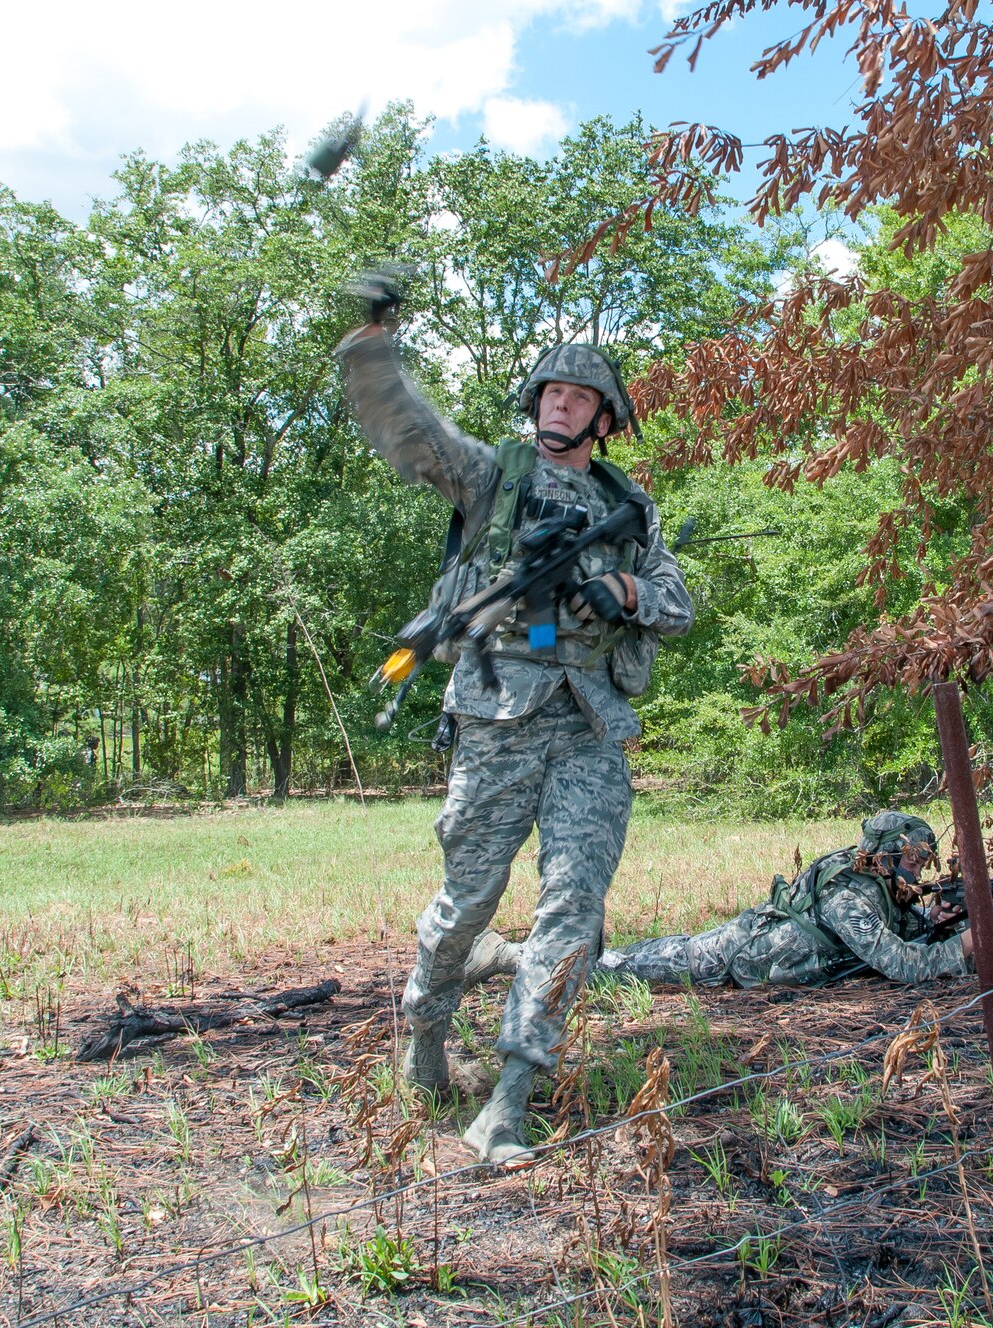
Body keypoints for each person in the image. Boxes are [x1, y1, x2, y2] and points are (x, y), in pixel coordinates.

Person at [336, 284, 691, 1166]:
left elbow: (680, 604)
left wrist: (629, 591)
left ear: (603, 416)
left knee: (574, 909)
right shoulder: (490, 474)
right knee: (470, 903)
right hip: (496, 715)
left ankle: (509, 1097)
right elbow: (408, 428)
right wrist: (372, 345)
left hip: (591, 725)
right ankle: (424, 1030)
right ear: (534, 402)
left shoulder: (629, 506)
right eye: (550, 393)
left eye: (578, 397)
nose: (560, 406)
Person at [458, 811, 993, 991]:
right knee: (636, 967)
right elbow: (899, 966)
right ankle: (515, 959)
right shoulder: (854, 892)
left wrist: (930, 920)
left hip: (761, 942)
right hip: (748, 952)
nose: (916, 872)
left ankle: (530, 955)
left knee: (648, 956)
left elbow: (896, 927)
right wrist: (971, 941)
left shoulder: (870, 875)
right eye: (914, 861)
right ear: (887, 854)